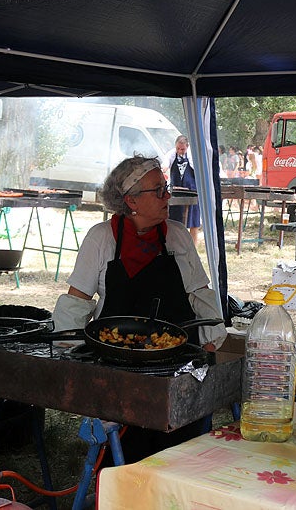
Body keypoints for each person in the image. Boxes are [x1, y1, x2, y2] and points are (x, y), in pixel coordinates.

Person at [53, 156, 226, 462]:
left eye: (166, 188)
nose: (167, 197)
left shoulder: (177, 234)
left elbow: (199, 291)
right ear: (130, 200)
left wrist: (212, 335)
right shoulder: (102, 238)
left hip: (178, 359)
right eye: (158, 191)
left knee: (181, 445)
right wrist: (69, 349)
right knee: (128, 450)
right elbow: (78, 299)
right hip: (120, 364)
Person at [166, 135, 202, 245]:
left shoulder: (192, 156)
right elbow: (165, 165)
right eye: (178, 148)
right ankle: (175, 246)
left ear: (187, 147)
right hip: (177, 194)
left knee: (193, 223)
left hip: (192, 193)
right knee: (174, 221)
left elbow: (199, 171)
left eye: (182, 149)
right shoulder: (171, 155)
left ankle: (193, 247)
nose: (180, 151)